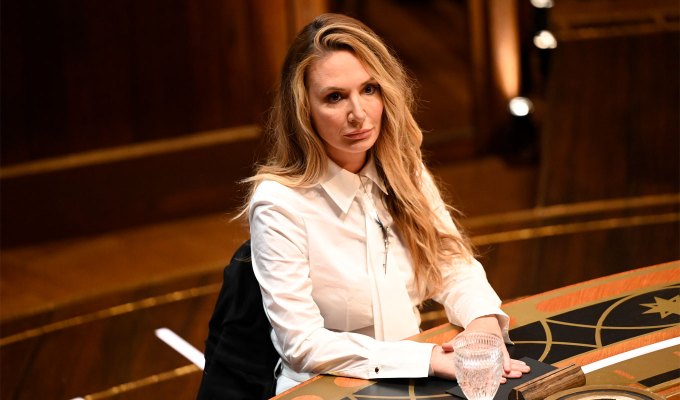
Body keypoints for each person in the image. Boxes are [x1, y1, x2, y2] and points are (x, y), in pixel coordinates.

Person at [243, 13, 531, 395]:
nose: (358, 114)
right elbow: (303, 343)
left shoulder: (402, 166)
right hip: (326, 386)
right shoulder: (278, 204)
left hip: (415, 376)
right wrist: (427, 360)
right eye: (334, 97)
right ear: (303, 110)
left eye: (369, 89)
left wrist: (483, 327)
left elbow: (452, 263)